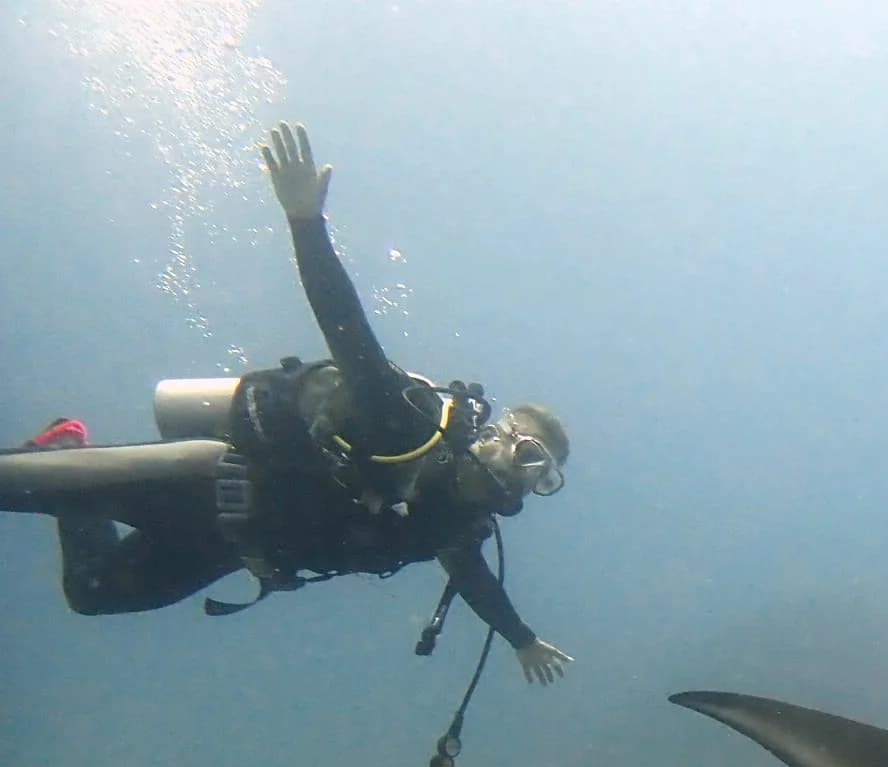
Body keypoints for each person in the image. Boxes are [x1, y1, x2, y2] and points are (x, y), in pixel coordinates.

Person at [1, 123, 574, 684]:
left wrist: (521, 640)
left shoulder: (454, 524)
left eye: (544, 476)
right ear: (495, 436)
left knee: (90, 594)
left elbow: (475, 580)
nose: (528, 476)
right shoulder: (407, 421)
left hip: (228, 548)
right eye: (528, 453)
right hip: (201, 481)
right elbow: (346, 326)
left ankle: (66, 446)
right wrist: (305, 221)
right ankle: (64, 474)